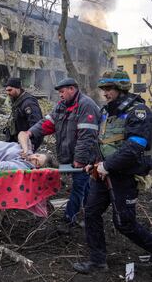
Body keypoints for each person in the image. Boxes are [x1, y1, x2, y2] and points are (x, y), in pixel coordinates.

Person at [73, 70, 152, 274]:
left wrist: (107, 166)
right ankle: (98, 261)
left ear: (121, 88)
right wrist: (93, 162)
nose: (105, 93)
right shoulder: (106, 111)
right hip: (102, 175)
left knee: (124, 223)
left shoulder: (139, 112)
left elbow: (135, 147)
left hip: (124, 177)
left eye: (108, 89)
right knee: (91, 213)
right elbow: (101, 142)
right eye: (104, 89)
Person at [24, 77, 100, 232]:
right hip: (69, 156)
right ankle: (90, 214)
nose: (60, 94)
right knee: (84, 186)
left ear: (72, 89)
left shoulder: (86, 106)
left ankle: (69, 219)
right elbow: (47, 124)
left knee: (78, 186)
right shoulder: (61, 106)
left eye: (62, 91)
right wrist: (30, 132)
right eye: (59, 92)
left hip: (85, 157)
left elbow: (87, 136)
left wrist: (80, 159)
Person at [3, 77, 43, 150]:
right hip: (17, 140)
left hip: (26, 141)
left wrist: (30, 145)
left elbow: (36, 125)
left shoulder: (29, 103)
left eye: (10, 90)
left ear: (18, 88)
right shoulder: (16, 100)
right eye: (6, 90)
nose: (7, 93)